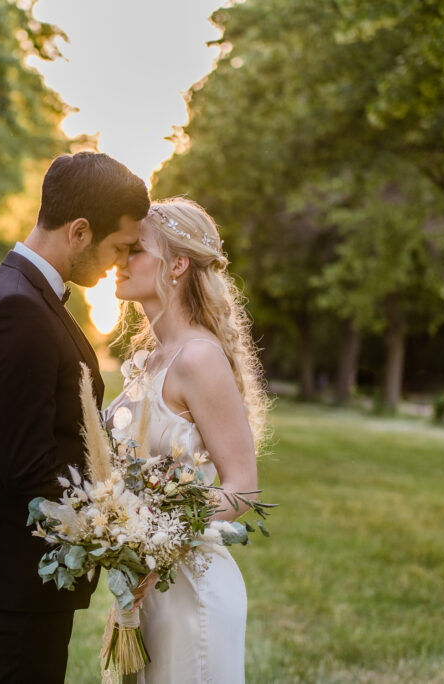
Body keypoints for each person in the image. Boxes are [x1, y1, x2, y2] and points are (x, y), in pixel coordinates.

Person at [0, 151, 150, 683]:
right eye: (119, 247)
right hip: (14, 578)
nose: (120, 262)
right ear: (81, 231)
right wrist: (118, 529)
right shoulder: (19, 309)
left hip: (23, 580)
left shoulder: (26, 295)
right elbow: (29, 471)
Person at [104, 197, 269, 683]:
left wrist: (157, 536)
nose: (120, 260)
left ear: (177, 264)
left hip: (191, 592)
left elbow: (243, 486)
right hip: (146, 587)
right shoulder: (151, 360)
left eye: (136, 249)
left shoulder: (197, 358)